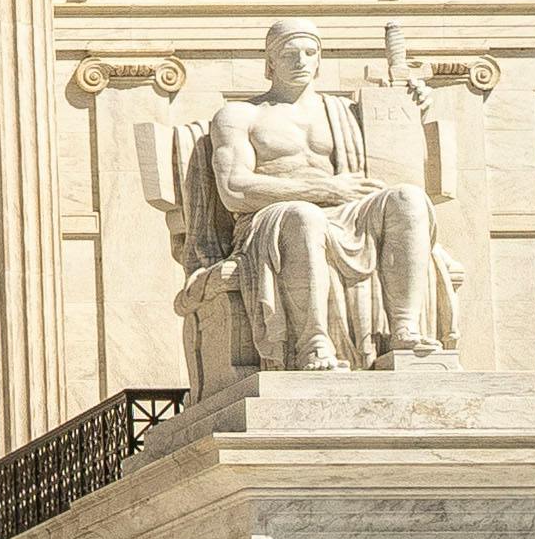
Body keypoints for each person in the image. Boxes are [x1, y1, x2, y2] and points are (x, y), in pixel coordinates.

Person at [171, 19, 462, 376]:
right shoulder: (239, 115)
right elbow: (234, 189)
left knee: (408, 199)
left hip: (346, 211)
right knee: (304, 216)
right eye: (289, 54)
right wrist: (326, 189)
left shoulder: (345, 112)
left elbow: (398, 160)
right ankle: (312, 342)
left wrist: (412, 107)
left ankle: (404, 330)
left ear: (320, 60)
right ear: (270, 63)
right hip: (270, 218)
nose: (301, 61)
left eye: (310, 53)